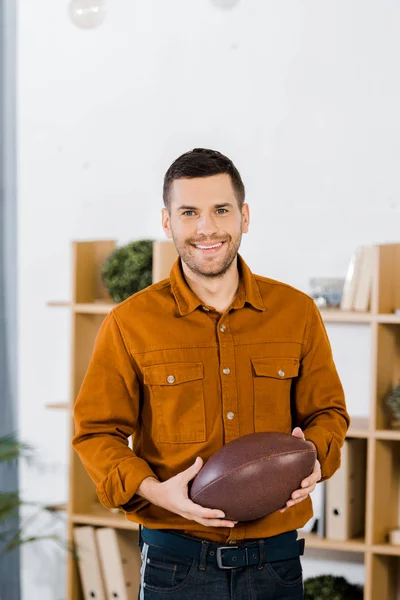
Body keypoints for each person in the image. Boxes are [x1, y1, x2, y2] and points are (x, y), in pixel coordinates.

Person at [72, 148, 350, 600]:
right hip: (176, 567)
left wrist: (313, 460)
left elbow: (329, 412)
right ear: (167, 222)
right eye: (189, 212)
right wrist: (157, 493)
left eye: (221, 210)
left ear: (244, 216)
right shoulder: (129, 323)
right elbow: (96, 434)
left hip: (276, 565)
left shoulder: (296, 312)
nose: (206, 228)